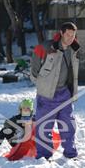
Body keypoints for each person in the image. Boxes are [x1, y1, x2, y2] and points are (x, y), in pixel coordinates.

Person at [30, 22, 80, 160]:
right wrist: (42, 85)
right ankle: (44, 156)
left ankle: (70, 154)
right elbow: (34, 72)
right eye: (68, 34)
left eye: (73, 35)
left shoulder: (74, 49)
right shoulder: (45, 47)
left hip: (65, 94)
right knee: (44, 127)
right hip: (47, 96)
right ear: (62, 33)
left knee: (68, 126)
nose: (71, 38)